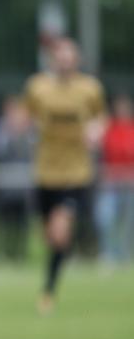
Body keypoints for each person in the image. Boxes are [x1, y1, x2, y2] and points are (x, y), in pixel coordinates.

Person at [21, 37, 105, 314]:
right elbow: (28, 116)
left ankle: (48, 291)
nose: (65, 62)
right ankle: (61, 261)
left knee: (59, 233)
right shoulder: (38, 87)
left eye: (70, 57)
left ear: (76, 60)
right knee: (51, 238)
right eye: (61, 57)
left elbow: (100, 119)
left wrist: (96, 131)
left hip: (76, 173)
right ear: (53, 60)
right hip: (46, 173)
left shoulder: (90, 89)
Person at [0, 94, 35, 261]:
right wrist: (10, 135)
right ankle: (1, 253)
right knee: (2, 222)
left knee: (22, 223)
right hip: (3, 186)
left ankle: (20, 254)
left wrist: (22, 134)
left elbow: (34, 152)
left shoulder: (29, 129)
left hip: (23, 187)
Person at [94, 93, 134, 265]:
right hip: (111, 182)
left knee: (128, 222)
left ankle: (125, 254)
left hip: (130, 182)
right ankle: (109, 253)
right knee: (106, 217)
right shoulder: (109, 129)